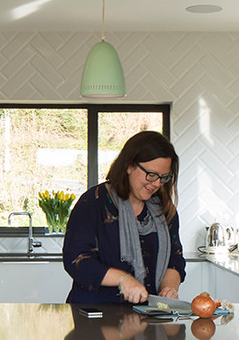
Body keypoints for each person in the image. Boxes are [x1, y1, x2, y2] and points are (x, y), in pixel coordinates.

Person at [63, 130, 186, 305]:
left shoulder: (164, 210)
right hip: (94, 315)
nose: (157, 184)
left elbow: (175, 259)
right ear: (129, 166)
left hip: (149, 315)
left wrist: (169, 289)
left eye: (163, 177)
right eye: (151, 175)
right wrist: (123, 279)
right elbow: (76, 260)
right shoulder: (94, 202)